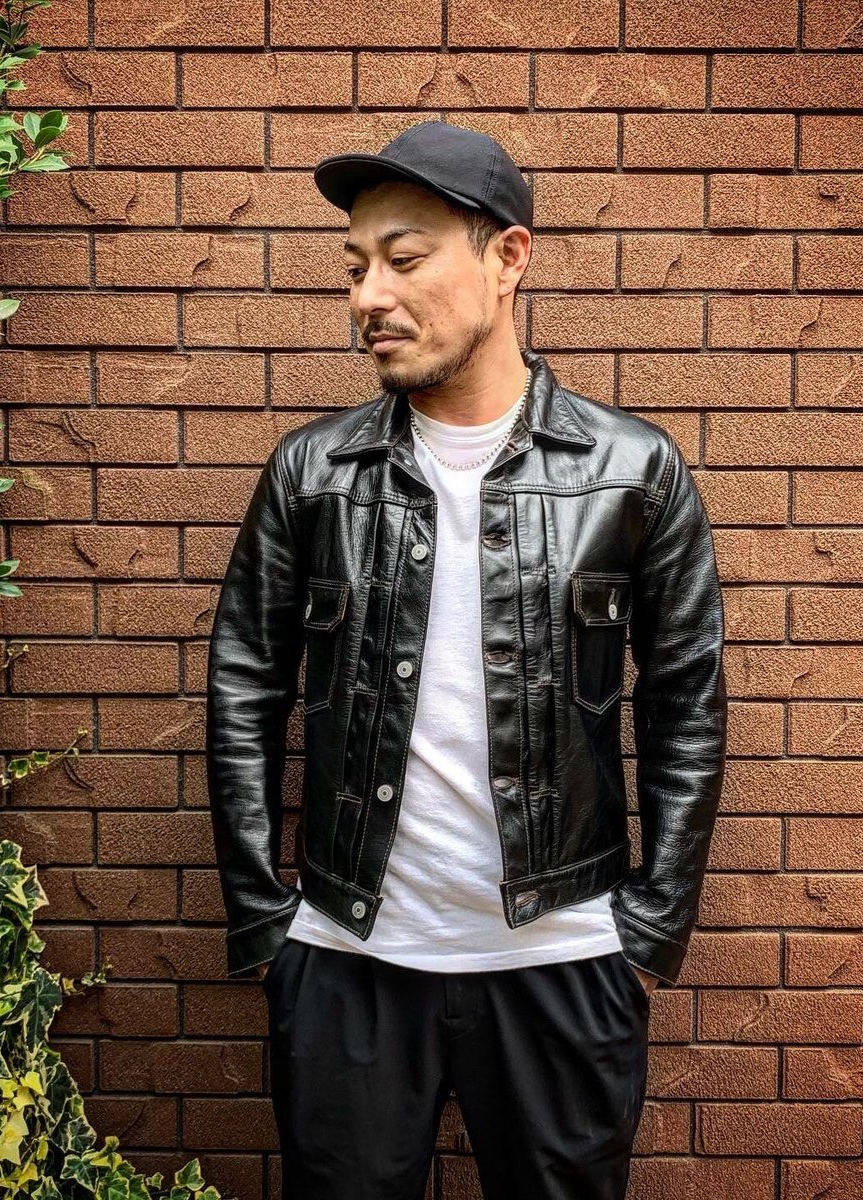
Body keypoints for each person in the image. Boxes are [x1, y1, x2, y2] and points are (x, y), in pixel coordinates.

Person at [206, 120, 728, 1200]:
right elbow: (245, 685)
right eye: (356, 266)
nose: (369, 297)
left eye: (404, 259)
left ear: (508, 258)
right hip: (348, 958)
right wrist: (267, 923)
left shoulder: (633, 470)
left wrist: (649, 928)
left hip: (566, 958)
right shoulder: (312, 472)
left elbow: (685, 704)